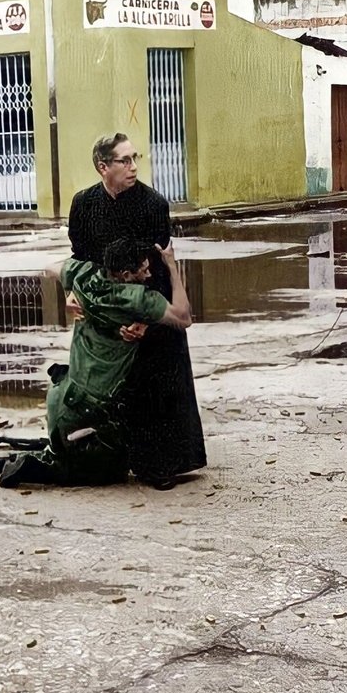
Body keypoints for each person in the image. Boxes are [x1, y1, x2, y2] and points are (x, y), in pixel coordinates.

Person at [0, 236, 191, 489]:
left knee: (60, 453)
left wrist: (71, 291)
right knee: (102, 471)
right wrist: (172, 265)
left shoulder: (85, 273)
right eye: (143, 270)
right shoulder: (136, 298)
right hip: (89, 409)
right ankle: (31, 469)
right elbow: (183, 317)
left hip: (62, 394)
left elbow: (50, 267)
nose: (149, 274)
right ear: (125, 274)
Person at [66, 132, 206, 490]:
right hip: (105, 310)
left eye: (135, 159)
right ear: (103, 167)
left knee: (156, 373)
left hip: (150, 302)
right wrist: (71, 293)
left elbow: (158, 269)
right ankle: (112, 456)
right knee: (104, 385)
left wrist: (144, 320)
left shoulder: (153, 204)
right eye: (124, 160)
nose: (133, 167)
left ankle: (161, 462)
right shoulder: (83, 204)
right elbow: (78, 260)